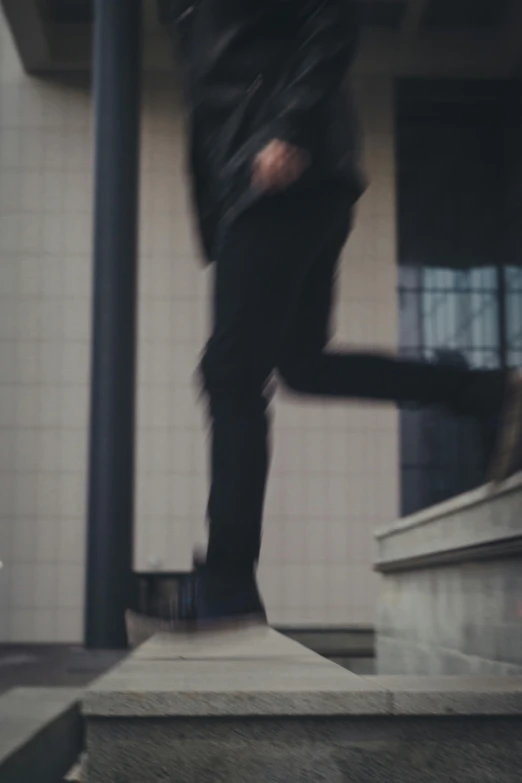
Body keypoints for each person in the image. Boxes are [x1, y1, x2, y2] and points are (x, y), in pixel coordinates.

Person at [163, 0, 522, 628]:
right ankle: (485, 390)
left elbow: (333, 15)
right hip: (258, 184)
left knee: (230, 373)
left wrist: (290, 127)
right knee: (301, 365)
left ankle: (227, 584)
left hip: (280, 171)